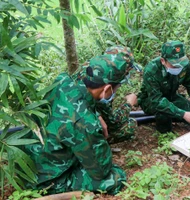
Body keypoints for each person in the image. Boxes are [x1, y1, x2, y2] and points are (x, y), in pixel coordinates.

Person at [23, 47, 138, 195]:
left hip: (30, 158)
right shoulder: (85, 124)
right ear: (107, 89)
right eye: (117, 88)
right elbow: (100, 171)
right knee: (116, 178)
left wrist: (97, 115)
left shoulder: (64, 79)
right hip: (43, 180)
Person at [138, 41, 190, 133]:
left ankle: (177, 115)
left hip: (171, 96)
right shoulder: (152, 70)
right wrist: (183, 114)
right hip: (150, 101)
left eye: (181, 63)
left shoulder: (183, 65)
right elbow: (157, 101)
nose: (179, 67)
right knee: (164, 115)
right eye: (174, 65)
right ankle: (165, 131)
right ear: (163, 61)